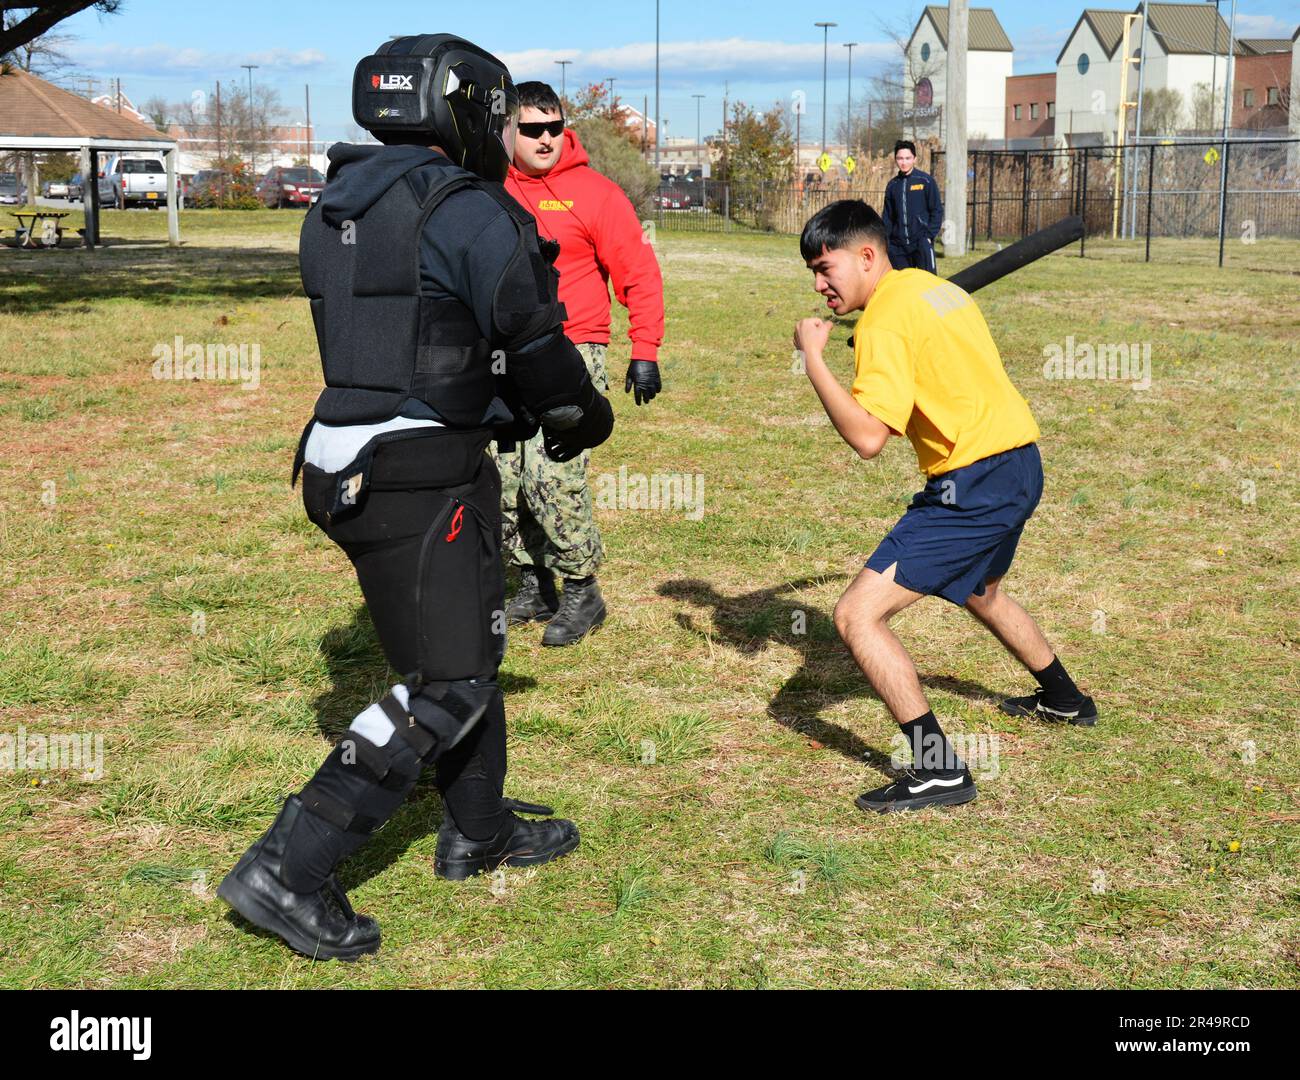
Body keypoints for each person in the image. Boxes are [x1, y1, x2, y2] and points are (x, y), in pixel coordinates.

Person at [216, 34, 614, 960]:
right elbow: (534, 336)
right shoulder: (466, 206)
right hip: (415, 473)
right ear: (468, 107)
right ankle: (291, 867)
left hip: (344, 458)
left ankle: (480, 828)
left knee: (467, 640)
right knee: (448, 682)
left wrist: (494, 404)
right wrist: (576, 411)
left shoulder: (337, 203)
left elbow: (414, 335)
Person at [792, 199, 1095, 814]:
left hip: (974, 482)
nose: (820, 284)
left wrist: (815, 361)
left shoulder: (883, 324)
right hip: (1018, 461)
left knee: (856, 616)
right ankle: (1065, 699)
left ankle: (938, 771)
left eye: (827, 268)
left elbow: (869, 438)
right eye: (813, 274)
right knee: (982, 589)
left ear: (868, 255)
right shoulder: (931, 289)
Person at [498, 81, 665, 646]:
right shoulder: (489, 190)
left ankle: (581, 588)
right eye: (532, 129)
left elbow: (638, 274)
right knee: (505, 473)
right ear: (508, 131)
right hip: (501, 353)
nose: (546, 139)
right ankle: (532, 580)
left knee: (553, 470)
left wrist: (645, 352)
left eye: (554, 127)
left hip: (572, 349)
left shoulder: (595, 193)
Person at [880, 140, 943, 272]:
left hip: (921, 243)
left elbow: (936, 210)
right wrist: (888, 242)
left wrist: (928, 237)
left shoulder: (926, 181)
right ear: (896, 159)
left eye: (908, 158)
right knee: (903, 287)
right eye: (900, 158)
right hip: (898, 247)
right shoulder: (892, 185)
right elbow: (887, 217)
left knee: (927, 283)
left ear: (914, 159)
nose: (904, 162)